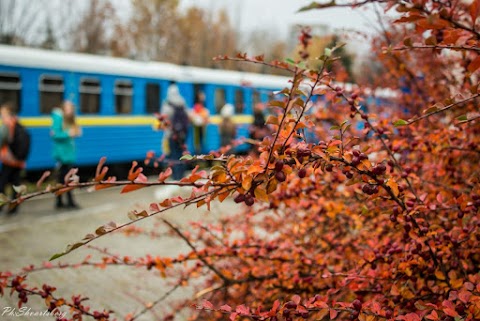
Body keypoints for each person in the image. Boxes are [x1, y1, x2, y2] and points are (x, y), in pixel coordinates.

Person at [51, 101, 81, 209]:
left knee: (63, 179)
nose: (70, 110)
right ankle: (69, 201)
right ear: (63, 108)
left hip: (68, 154)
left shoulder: (69, 120)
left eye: (71, 108)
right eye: (68, 108)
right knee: (67, 178)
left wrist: (75, 133)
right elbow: (55, 135)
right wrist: (68, 133)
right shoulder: (58, 118)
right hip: (62, 155)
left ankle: (60, 201)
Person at [0, 103, 29, 215]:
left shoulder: (7, 124)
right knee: (16, 184)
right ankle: (14, 207)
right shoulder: (17, 123)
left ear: (7, 112)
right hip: (18, 160)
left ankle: (1, 205)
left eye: (2, 112)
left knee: (2, 183)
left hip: (9, 160)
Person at [162, 83, 190, 180]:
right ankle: (182, 176)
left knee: (173, 155)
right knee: (182, 154)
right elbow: (188, 116)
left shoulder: (167, 104)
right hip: (182, 135)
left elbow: (164, 120)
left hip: (172, 135)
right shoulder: (182, 102)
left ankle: (175, 178)